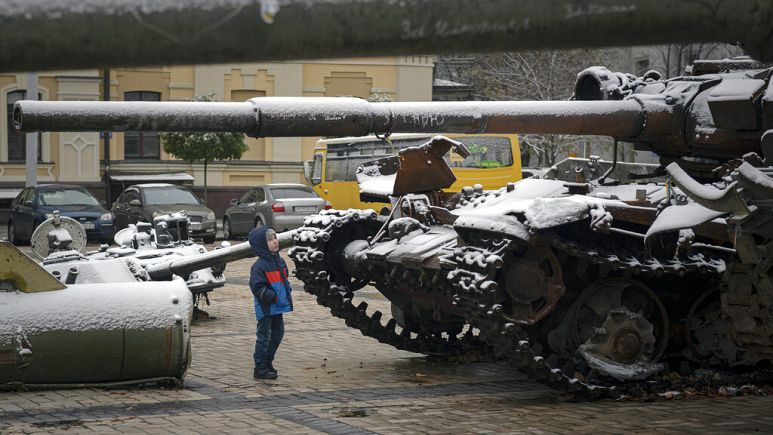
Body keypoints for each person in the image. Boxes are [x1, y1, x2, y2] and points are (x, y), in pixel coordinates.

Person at [248, 226, 293, 380]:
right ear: (261, 244)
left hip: (277, 307)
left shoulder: (279, 261)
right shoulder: (259, 266)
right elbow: (256, 286)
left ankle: (268, 362)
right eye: (270, 240)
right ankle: (260, 368)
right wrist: (271, 296)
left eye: (275, 238)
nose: (275, 242)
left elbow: (284, 280)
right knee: (264, 337)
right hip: (266, 307)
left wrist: (287, 290)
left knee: (278, 334)